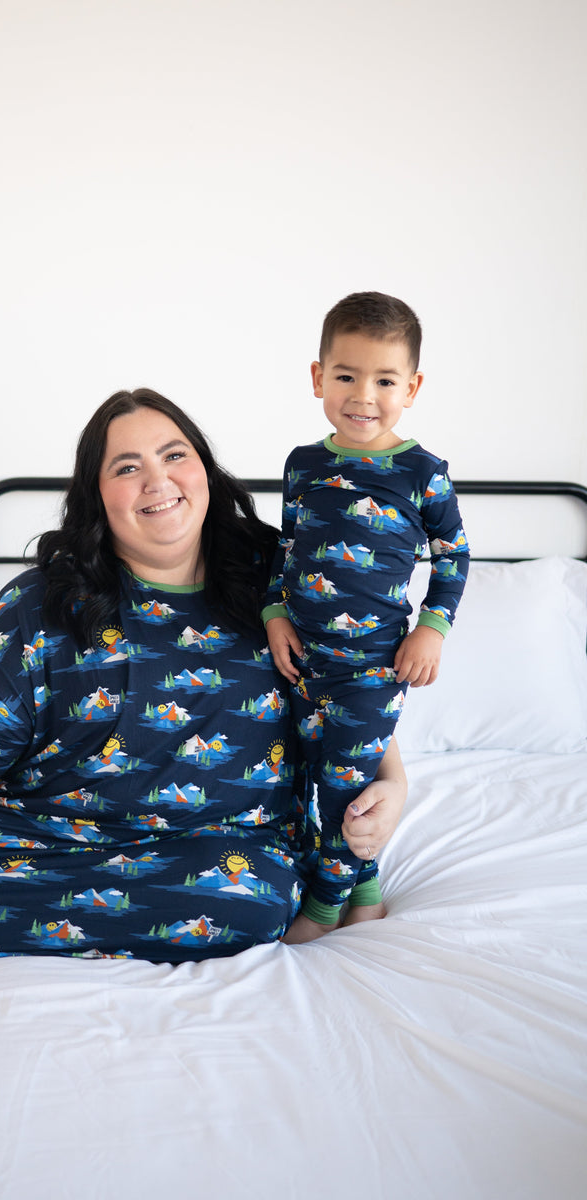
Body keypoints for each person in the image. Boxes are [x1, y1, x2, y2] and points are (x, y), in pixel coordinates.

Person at [0, 388, 408, 1164]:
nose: (157, 481)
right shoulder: (40, 604)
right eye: (126, 467)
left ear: (205, 471)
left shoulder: (283, 576)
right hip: (41, 832)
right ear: (97, 497)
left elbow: (354, 689)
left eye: (175, 456)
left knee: (246, 899)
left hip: (214, 847)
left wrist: (392, 781)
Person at [264, 293, 469, 934]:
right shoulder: (304, 465)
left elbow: (454, 557)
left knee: (343, 783)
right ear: (319, 377)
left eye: (384, 380)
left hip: (375, 662)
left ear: (412, 387)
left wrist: (432, 629)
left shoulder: (421, 474)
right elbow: (286, 549)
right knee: (306, 768)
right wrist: (275, 613)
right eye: (347, 376)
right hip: (304, 659)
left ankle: (326, 905)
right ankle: (367, 878)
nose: (364, 395)